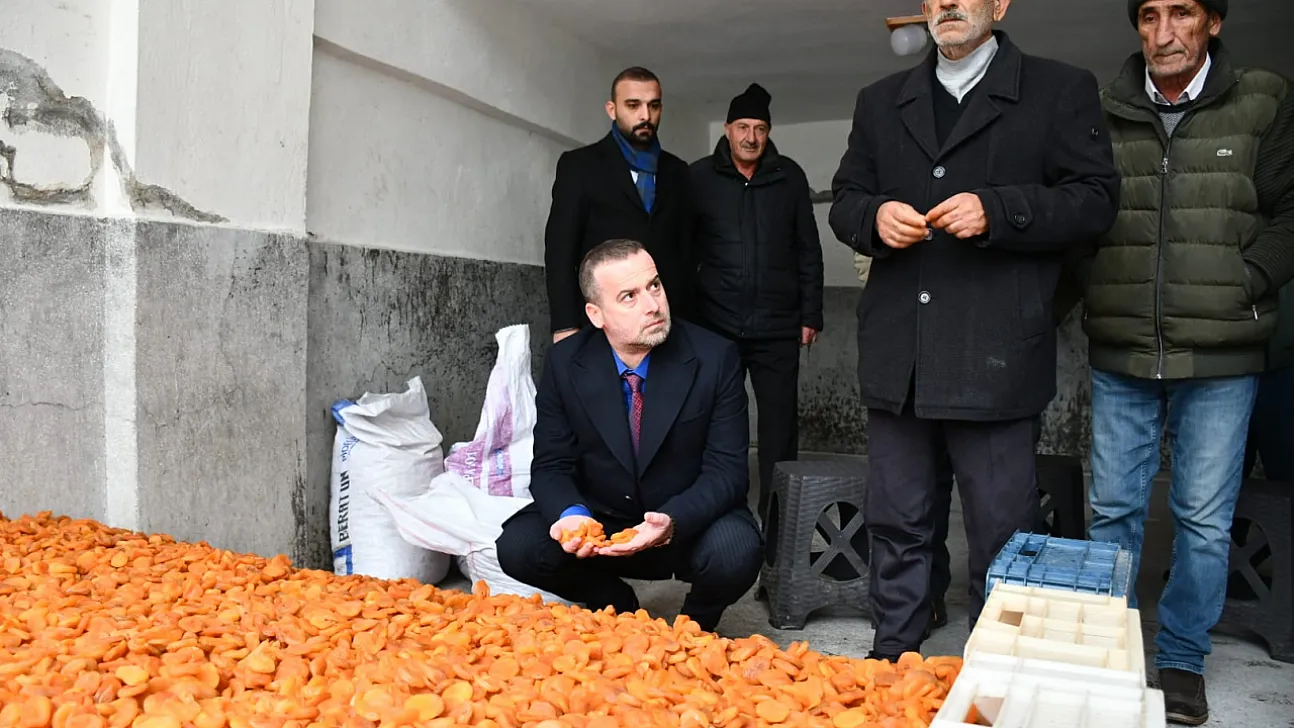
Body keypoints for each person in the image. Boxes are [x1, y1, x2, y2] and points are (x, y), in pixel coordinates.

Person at [828, 0, 1119, 661]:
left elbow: (1097, 201)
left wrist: (999, 209)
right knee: (896, 517)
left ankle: (998, 661)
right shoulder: (881, 100)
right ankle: (894, 649)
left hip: (995, 353)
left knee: (1001, 526)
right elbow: (844, 199)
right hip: (901, 351)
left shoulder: (1058, 89)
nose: (948, 5)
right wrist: (873, 218)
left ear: (1000, 4)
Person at [1070, 1, 1294, 722]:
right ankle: (1114, 652)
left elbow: (1290, 211)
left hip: (1223, 354)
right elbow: (1081, 211)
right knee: (1112, 510)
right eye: (1149, 15)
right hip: (1123, 346)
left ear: (1215, 23)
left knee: (1201, 517)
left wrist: (1246, 279)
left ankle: (1181, 660)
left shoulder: (1263, 100)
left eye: (1182, 13)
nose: (1163, 33)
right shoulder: (1101, 109)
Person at [496, 239, 763, 633]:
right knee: (516, 546)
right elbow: (552, 464)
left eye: (654, 286)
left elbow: (727, 472)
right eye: (629, 296)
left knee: (738, 549)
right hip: (602, 524)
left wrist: (671, 520)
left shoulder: (714, 357)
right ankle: (611, 599)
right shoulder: (566, 362)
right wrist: (572, 517)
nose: (652, 305)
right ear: (596, 314)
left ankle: (694, 626)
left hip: (683, 523)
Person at [688, 83, 824, 520]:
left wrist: (811, 314)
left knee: (779, 426)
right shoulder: (699, 178)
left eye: (760, 128)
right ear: (727, 129)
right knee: (717, 421)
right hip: (715, 324)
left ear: (769, 132)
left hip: (778, 325)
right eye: (742, 127)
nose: (751, 137)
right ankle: (718, 506)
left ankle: (778, 516)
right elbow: (683, 249)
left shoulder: (789, 176)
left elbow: (809, 248)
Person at [543, 67, 693, 344]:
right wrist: (564, 324)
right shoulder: (579, 166)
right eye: (633, 105)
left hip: (666, 323)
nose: (645, 116)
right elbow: (560, 252)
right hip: (601, 323)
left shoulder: (678, 171)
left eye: (654, 106)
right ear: (612, 109)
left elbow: (685, 252)